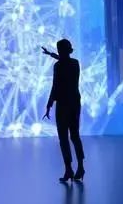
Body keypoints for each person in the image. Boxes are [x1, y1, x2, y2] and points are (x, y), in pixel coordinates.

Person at [41, 39, 85, 182]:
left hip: (62, 105)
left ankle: (68, 169)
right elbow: (64, 61)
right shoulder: (75, 63)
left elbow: (55, 86)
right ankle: (80, 167)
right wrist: (50, 54)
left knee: (63, 138)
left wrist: (49, 104)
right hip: (74, 103)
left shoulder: (58, 66)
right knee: (75, 136)